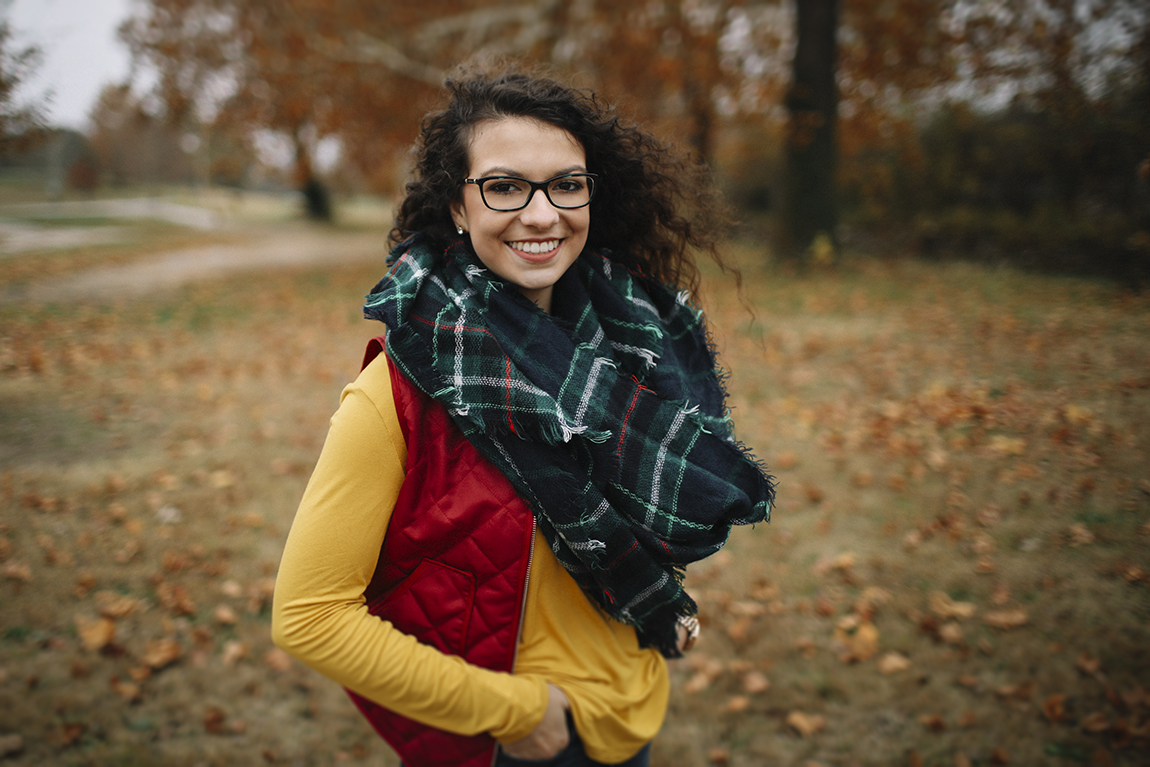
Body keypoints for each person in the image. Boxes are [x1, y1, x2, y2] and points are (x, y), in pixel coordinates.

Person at [271, 65, 775, 767]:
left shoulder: (630, 340)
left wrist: (654, 608)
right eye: (504, 186)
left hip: (630, 705)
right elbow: (309, 615)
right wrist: (516, 712)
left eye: (567, 184)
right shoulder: (398, 393)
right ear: (458, 205)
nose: (542, 214)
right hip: (527, 741)